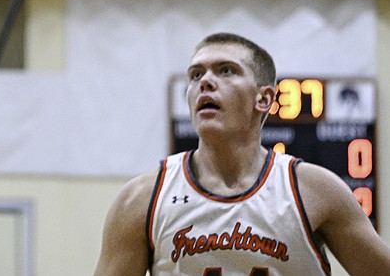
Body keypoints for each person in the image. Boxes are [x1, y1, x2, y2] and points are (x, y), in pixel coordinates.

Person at [92, 32, 390, 275]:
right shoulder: (141, 199)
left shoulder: (317, 190)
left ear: (264, 98)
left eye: (226, 70)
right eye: (196, 75)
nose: (205, 82)